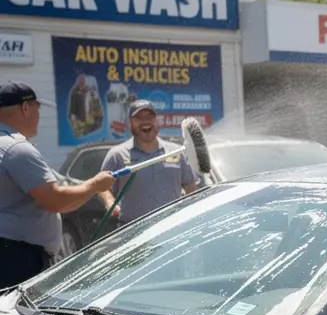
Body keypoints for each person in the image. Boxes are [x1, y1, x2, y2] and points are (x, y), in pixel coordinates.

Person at [0, 82, 116, 289]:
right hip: (17, 259)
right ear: (26, 108)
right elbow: (57, 201)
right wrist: (95, 185)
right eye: (37, 107)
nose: (38, 114)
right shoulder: (16, 148)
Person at [97, 101, 199, 226]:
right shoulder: (117, 155)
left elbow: (190, 187)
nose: (145, 121)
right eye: (139, 118)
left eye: (150, 117)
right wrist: (110, 203)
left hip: (173, 228)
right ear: (130, 123)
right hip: (133, 231)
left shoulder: (177, 152)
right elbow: (102, 188)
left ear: (157, 121)